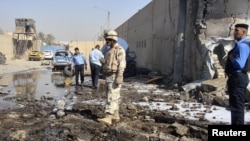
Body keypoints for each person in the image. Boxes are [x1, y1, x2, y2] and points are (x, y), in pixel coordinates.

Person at [97, 30, 126, 126]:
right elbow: (109, 62)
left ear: (113, 39)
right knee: (114, 96)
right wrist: (104, 62)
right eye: (106, 39)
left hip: (115, 76)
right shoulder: (109, 50)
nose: (107, 42)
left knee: (112, 96)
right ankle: (115, 115)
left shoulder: (119, 50)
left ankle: (108, 117)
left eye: (108, 39)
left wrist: (120, 75)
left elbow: (122, 63)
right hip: (109, 76)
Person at [225, 23, 250, 125]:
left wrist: (231, 57)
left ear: (244, 32)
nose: (234, 33)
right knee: (235, 106)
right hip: (237, 78)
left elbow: (240, 64)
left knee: (237, 106)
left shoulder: (243, 45)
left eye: (237, 31)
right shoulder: (241, 44)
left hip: (238, 77)